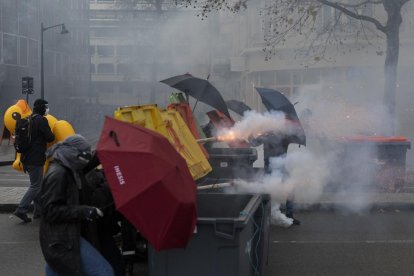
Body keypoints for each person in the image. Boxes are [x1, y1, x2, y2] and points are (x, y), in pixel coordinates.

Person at [39, 134, 115, 276]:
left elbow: (88, 162)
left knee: (58, 269)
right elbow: (50, 211)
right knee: (103, 271)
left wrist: (106, 148)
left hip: (64, 235)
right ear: (75, 154)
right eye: (84, 155)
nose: (86, 159)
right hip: (62, 239)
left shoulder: (70, 166)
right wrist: (84, 211)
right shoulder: (58, 174)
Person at [13, 99, 55, 223]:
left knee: (38, 185)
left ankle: (38, 212)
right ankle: (21, 209)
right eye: (46, 106)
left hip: (27, 158)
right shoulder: (41, 120)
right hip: (35, 158)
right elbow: (50, 137)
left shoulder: (29, 119)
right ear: (41, 108)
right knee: (36, 186)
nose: (47, 109)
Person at [250, 132, 301, 226]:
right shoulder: (266, 136)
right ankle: (265, 216)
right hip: (270, 168)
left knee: (290, 190)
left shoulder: (284, 135)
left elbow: (253, 142)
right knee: (267, 192)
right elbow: (253, 142)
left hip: (281, 167)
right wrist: (252, 134)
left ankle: (289, 216)